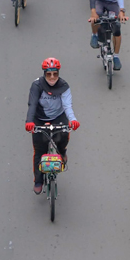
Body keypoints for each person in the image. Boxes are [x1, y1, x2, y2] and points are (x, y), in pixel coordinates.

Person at [24, 58, 80, 194]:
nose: (52, 77)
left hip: (58, 117)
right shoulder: (37, 85)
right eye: (49, 74)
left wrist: (73, 119)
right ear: (44, 74)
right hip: (39, 119)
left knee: (63, 135)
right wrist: (29, 121)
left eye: (55, 73)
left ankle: (62, 152)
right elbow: (32, 105)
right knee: (39, 150)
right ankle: (38, 179)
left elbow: (67, 106)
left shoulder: (64, 86)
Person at [87, 0, 127, 70]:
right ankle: (94, 35)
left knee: (117, 28)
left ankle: (116, 56)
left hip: (113, 2)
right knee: (96, 17)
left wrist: (122, 10)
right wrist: (93, 11)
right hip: (100, 1)